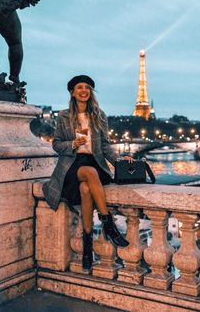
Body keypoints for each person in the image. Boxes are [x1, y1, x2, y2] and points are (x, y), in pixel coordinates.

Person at [43, 75, 132, 271]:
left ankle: (87, 246)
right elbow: (56, 144)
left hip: (94, 163)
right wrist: (73, 144)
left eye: (87, 87)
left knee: (86, 189)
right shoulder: (64, 116)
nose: (83, 90)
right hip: (73, 164)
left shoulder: (99, 115)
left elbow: (106, 146)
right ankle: (108, 224)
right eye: (79, 87)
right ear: (73, 93)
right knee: (88, 174)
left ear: (91, 92)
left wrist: (119, 161)